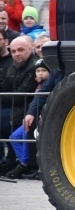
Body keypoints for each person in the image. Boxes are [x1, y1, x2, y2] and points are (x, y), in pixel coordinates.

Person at [4, 58, 50, 179]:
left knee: (27, 138)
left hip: (42, 118)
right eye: (38, 70)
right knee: (14, 137)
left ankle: (25, 164)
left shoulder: (50, 85)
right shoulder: (36, 84)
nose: (40, 73)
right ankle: (27, 164)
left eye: (43, 70)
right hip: (30, 117)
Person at [0, 36, 38, 174]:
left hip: (27, 111)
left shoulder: (34, 66)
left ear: (31, 48)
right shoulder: (14, 66)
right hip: (14, 109)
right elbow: (4, 87)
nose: (17, 54)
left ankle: (20, 162)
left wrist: (5, 95)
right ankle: (9, 161)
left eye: (20, 50)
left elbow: (21, 95)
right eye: (14, 51)